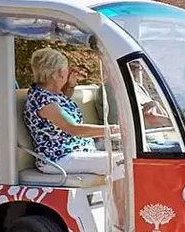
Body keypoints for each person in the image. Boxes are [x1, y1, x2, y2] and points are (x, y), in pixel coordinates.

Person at [24, 47, 121, 178]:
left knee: (129, 154)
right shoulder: (44, 101)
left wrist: (69, 85)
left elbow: (63, 103)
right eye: (66, 69)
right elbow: (74, 129)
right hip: (60, 158)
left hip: (74, 152)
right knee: (121, 161)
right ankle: (120, 199)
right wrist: (113, 130)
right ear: (59, 73)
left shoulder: (48, 94)